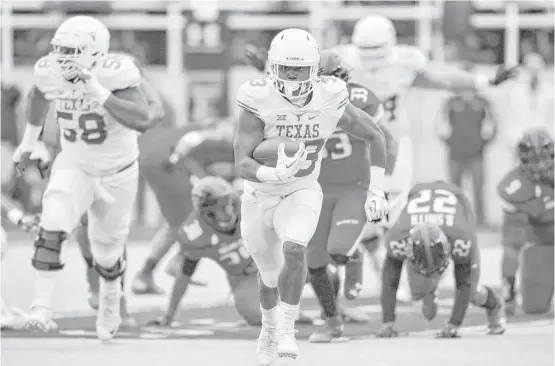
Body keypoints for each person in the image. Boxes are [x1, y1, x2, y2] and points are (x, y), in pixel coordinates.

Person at [334, 14, 517, 302]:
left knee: (391, 215)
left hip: (391, 144)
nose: (371, 60)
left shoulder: (403, 63)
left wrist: (484, 80)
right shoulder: (342, 62)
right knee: (362, 217)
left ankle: (399, 278)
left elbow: (442, 78)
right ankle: (382, 276)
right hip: (355, 145)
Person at [234, 28, 388, 364]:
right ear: (272, 68)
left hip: (303, 188)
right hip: (260, 192)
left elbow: (376, 135)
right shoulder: (257, 97)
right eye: (285, 68)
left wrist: (378, 188)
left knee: (295, 248)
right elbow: (241, 162)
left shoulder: (332, 96)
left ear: (315, 71)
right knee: (269, 274)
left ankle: (287, 330)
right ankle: (270, 329)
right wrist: (272, 172)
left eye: (300, 69)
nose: (292, 76)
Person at [12, 16, 153, 341]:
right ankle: (42, 307)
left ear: (95, 51)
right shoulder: (49, 69)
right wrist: (29, 142)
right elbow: (39, 95)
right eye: (59, 48)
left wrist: (97, 92)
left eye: (71, 50)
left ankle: (109, 300)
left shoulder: (116, 71)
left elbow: (142, 119)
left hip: (117, 171)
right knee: (53, 223)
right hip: (74, 162)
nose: (62, 57)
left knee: (107, 250)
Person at [306, 51, 399, 343]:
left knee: (338, 251)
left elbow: (386, 140)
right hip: (317, 190)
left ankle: (354, 251)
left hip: (353, 187)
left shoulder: (361, 99)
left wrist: (380, 185)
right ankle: (333, 323)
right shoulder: (297, 102)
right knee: (314, 264)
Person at [377, 181, 506, 338]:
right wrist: (387, 323)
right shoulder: (398, 236)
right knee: (417, 290)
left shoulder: (461, 236)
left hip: (458, 204)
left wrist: (453, 325)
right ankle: (429, 289)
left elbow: (463, 282)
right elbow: (390, 280)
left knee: (472, 292)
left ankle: (494, 305)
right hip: (419, 199)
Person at [132, 118, 236, 294]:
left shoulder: (217, 135)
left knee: (178, 222)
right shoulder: (225, 134)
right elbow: (195, 139)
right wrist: (176, 158)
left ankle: (146, 274)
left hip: (153, 160)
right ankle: (178, 262)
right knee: (203, 215)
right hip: (166, 161)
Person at [146, 177, 261, 327]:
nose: (229, 211)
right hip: (244, 277)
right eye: (222, 208)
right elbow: (184, 276)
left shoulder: (249, 204)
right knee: (255, 315)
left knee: (297, 255)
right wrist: (169, 316)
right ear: (207, 213)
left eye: (231, 204)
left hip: (276, 261)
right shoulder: (196, 234)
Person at [497, 127, 554, 315]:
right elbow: (514, 239)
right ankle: (508, 293)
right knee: (534, 307)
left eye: (544, 159)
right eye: (533, 160)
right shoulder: (513, 185)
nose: (540, 167)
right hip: (540, 239)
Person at [435, 63, 498, 227]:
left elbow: (493, 125)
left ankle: (481, 222)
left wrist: (483, 143)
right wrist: (450, 142)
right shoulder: (450, 102)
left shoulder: (483, 102)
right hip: (455, 154)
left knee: (479, 190)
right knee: (455, 190)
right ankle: (456, 222)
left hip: (476, 154)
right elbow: (439, 125)